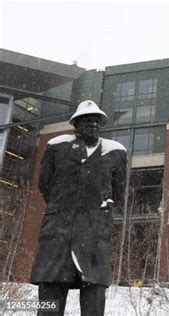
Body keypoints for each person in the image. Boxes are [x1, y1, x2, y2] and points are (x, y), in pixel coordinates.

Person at [30, 100, 127, 315]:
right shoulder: (57, 147)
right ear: (76, 125)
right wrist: (64, 205)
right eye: (86, 121)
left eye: (95, 121)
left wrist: (95, 209)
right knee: (50, 289)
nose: (92, 125)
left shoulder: (115, 152)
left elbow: (118, 191)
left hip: (94, 232)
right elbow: (44, 184)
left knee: (93, 291)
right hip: (57, 230)